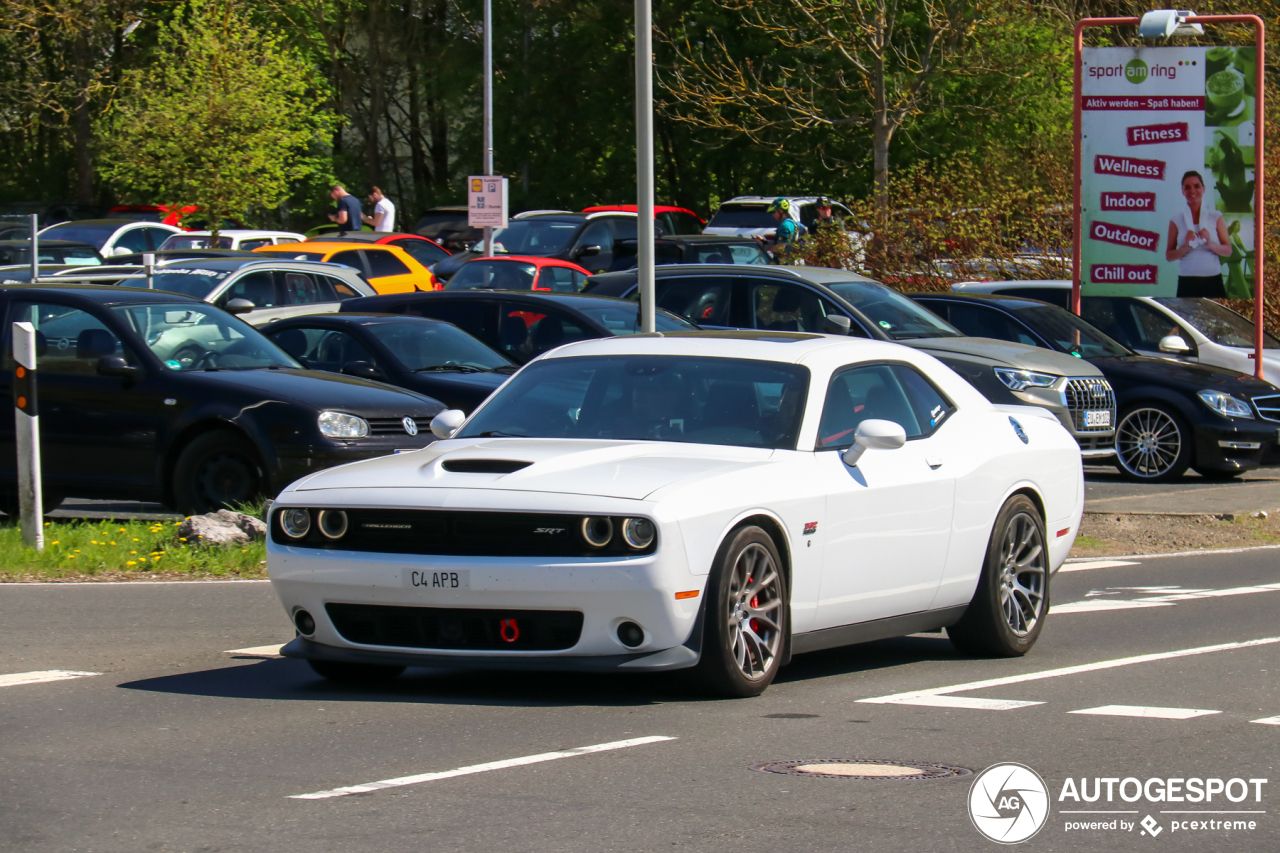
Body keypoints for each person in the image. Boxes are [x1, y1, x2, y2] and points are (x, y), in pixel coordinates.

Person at [1165, 171, 1230, 297]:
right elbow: (1169, 256)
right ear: (1182, 191)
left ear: (1203, 188)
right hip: (1187, 282)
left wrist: (1210, 243)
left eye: (1196, 186)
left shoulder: (1215, 216)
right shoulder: (1176, 220)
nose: (1192, 191)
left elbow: (1228, 250)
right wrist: (1187, 246)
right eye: (1187, 187)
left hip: (1213, 280)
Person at [754, 197, 799, 263]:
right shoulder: (791, 223)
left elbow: (781, 247)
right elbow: (779, 242)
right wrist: (764, 242)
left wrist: (763, 247)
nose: (773, 214)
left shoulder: (785, 226)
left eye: (774, 212)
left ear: (781, 211)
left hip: (783, 264)